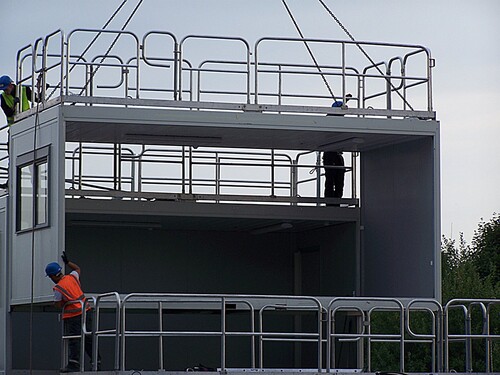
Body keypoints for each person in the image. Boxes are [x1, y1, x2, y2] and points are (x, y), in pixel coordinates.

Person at [45, 252, 101, 372]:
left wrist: (62, 303)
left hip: (73, 316)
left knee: (74, 339)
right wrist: (68, 262)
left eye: (50, 277)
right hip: (86, 311)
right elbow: (77, 268)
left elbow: (58, 304)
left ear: (53, 276)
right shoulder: (72, 277)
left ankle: (73, 364)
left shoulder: (58, 288)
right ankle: (96, 361)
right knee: (88, 338)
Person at [323, 94, 352, 205]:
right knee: (331, 179)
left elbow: (341, 106)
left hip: (337, 154)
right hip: (330, 154)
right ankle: (330, 202)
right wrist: (345, 100)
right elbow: (338, 107)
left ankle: (337, 201)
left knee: (339, 179)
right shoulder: (330, 119)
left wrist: (346, 100)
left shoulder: (338, 120)